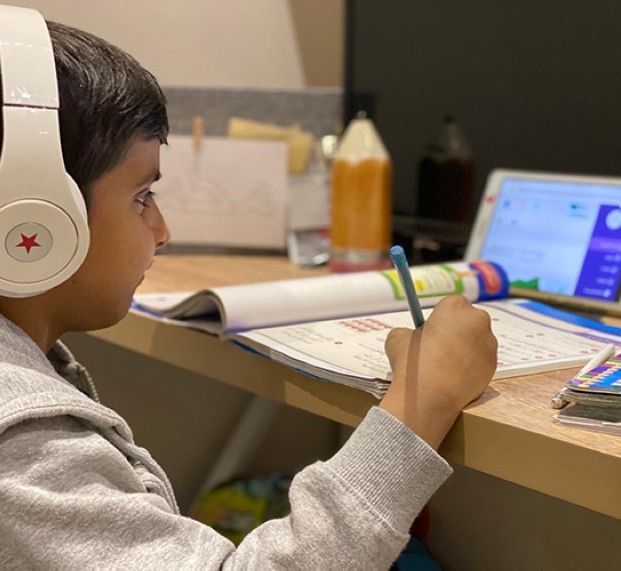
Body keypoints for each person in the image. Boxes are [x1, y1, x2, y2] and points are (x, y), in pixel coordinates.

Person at [0, 18, 498, 570]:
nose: (162, 231)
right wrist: (424, 395)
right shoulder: (21, 441)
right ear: (32, 221)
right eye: (142, 197)